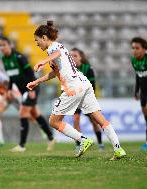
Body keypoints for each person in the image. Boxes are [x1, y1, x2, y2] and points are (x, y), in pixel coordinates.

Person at [27, 21, 126, 160]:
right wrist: (37, 82)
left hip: (73, 87)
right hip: (84, 83)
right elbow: (55, 73)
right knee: (99, 118)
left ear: (44, 37)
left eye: (37, 41)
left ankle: (83, 140)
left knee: (54, 121)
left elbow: (57, 53)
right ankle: (118, 149)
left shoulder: (53, 48)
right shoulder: (58, 47)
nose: (37, 44)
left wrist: (43, 61)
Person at [0, 36, 56, 152]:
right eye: (0, 46)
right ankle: (51, 137)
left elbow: (30, 73)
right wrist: (9, 89)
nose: (2, 47)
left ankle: (22, 145)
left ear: (10, 45)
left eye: (4, 45)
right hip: (23, 91)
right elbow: (11, 76)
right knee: (35, 114)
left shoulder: (19, 57)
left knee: (23, 113)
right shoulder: (4, 59)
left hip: (31, 89)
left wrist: (31, 90)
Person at [70, 47, 104, 151]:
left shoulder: (88, 68)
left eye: (75, 56)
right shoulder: (70, 69)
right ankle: (79, 144)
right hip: (75, 99)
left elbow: (92, 86)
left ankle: (100, 143)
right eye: (71, 56)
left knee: (94, 122)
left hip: (86, 99)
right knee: (76, 120)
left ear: (81, 57)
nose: (73, 58)